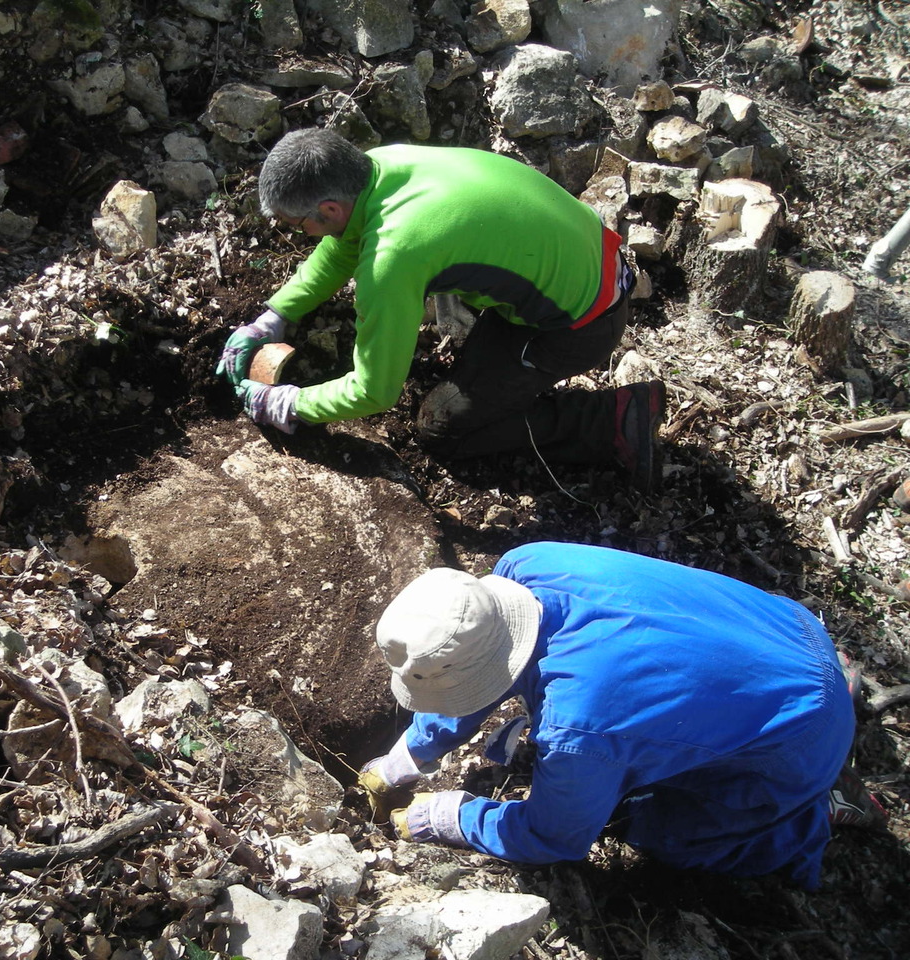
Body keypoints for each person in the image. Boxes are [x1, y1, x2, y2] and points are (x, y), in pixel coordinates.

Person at [357, 542, 887, 889]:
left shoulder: (578, 725)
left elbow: (556, 836)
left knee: (661, 829)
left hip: (804, 726)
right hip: (784, 630)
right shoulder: (525, 566)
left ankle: (815, 806)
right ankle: (825, 687)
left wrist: (451, 816)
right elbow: (484, 656)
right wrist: (410, 754)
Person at [216, 128, 666, 490]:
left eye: (299, 225)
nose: (302, 234)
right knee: (453, 279)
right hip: (584, 258)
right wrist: (274, 316)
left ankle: (613, 418)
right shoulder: (380, 166)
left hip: (580, 322)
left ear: (330, 208)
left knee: (441, 430)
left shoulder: (393, 255)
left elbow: (375, 392)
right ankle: (491, 359)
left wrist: (291, 403)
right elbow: (342, 247)